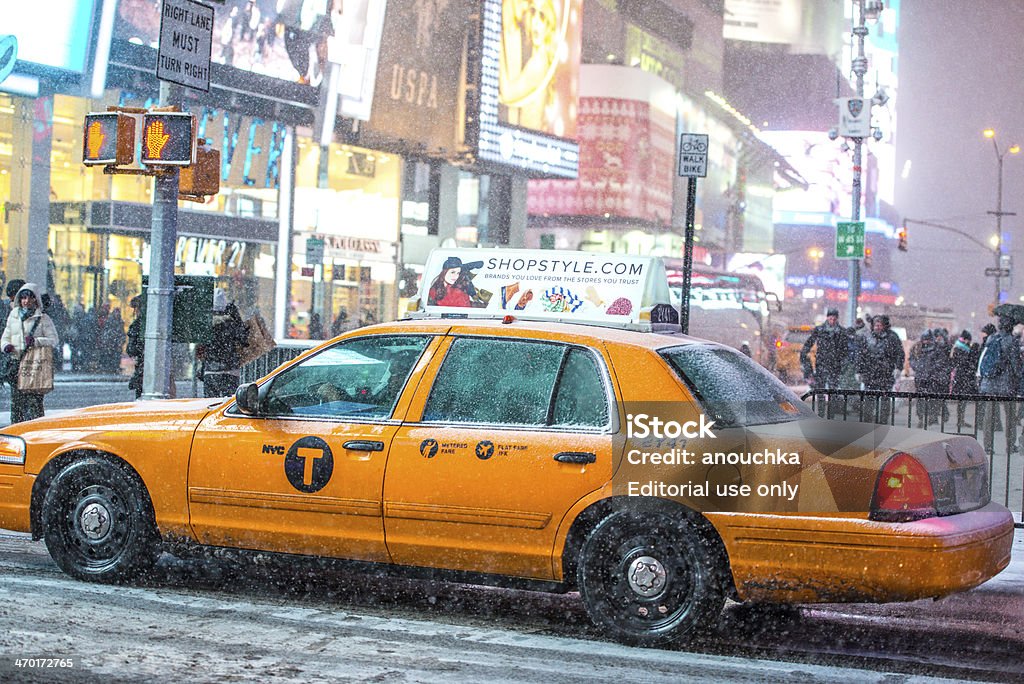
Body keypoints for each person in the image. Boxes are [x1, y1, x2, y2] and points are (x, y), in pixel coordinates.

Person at [1, 283, 59, 423]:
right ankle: (17, 430)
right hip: (17, 365)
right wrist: (6, 346)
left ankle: (35, 432)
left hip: (35, 366)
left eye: (29, 298)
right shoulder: (13, 316)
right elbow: (5, 337)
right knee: (16, 404)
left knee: (34, 404)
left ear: (35, 299)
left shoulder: (43, 319)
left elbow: (54, 340)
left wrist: (36, 341)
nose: (26, 301)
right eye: (23, 298)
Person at [977, 314, 1021, 454]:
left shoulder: (991, 338)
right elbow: (1015, 366)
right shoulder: (1011, 341)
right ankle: (1010, 445)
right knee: (1010, 416)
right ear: (1011, 327)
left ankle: (988, 446)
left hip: (990, 383)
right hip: (1006, 384)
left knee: (988, 416)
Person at [198, 288, 249, 398]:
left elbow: (200, 348)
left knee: (210, 404)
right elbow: (244, 340)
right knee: (228, 404)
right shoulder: (232, 323)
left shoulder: (206, 324)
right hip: (230, 370)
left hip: (210, 371)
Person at [856, 315, 905, 424]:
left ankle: (882, 421)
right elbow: (861, 355)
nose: (877, 327)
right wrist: (859, 370)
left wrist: (898, 368)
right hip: (870, 373)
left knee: (884, 399)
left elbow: (899, 354)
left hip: (886, 373)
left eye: (880, 325)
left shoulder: (892, 337)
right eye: (876, 325)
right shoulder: (866, 337)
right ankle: (867, 420)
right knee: (869, 399)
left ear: (884, 326)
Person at [800, 308, 848, 391]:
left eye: (834, 319)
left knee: (833, 390)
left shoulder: (841, 332)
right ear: (827, 318)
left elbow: (845, 349)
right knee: (820, 389)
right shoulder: (819, 330)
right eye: (830, 318)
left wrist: (842, 362)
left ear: (837, 319)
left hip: (835, 365)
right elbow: (808, 344)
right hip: (821, 363)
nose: (832, 321)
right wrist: (804, 355)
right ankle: (822, 403)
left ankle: (832, 404)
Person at [950, 329, 979, 430]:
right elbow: (964, 363)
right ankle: (960, 420)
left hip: (961, 377)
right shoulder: (961, 349)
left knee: (962, 400)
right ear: (966, 340)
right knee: (961, 400)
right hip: (962, 377)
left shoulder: (959, 347)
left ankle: (960, 420)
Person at [126, 295, 145, 399]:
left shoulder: (138, 324)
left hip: (143, 366)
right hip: (144, 364)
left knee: (141, 394)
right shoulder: (142, 324)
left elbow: (132, 349)